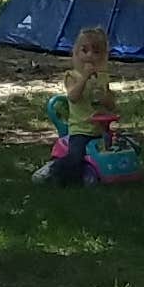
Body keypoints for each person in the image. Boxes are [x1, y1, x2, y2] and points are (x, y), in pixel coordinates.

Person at [39, 25, 118, 186]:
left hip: (101, 129)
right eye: (85, 50)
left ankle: (111, 174)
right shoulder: (72, 76)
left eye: (96, 52)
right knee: (76, 157)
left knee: (116, 149)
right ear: (76, 53)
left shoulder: (103, 78)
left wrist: (106, 98)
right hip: (80, 129)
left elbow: (111, 105)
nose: (90, 55)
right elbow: (73, 97)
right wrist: (84, 78)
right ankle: (54, 170)